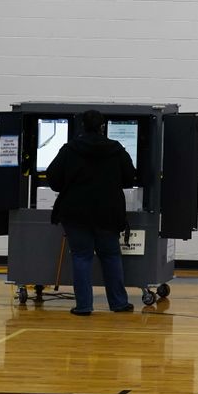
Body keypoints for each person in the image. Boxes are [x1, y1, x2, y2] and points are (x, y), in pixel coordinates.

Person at [46, 109, 136, 315]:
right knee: (111, 256)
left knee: (81, 256)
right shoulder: (116, 149)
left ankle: (84, 306)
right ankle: (119, 303)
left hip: (76, 213)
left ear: (82, 127)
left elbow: (53, 179)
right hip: (108, 212)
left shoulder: (69, 149)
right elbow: (130, 177)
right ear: (103, 127)